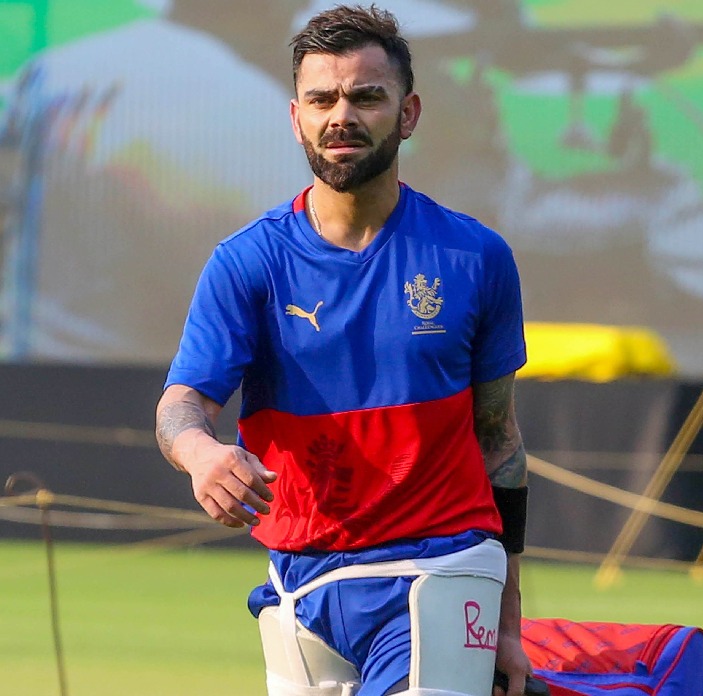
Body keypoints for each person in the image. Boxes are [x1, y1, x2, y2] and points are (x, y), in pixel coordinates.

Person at [154, 5, 531, 696]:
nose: (341, 116)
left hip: (441, 565)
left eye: (366, 97)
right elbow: (183, 405)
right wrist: (201, 453)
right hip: (299, 581)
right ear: (295, 117)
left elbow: (499, 442)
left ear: (408, 114)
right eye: (322, 99)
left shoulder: (477, 256)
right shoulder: (247, 262)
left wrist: (509, 626)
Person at [0, 0, 311, 361]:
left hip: (29, 370)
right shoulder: (251, 105)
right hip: (170, 380)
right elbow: (279, 286)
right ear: (277, 9)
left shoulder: (52, 69)